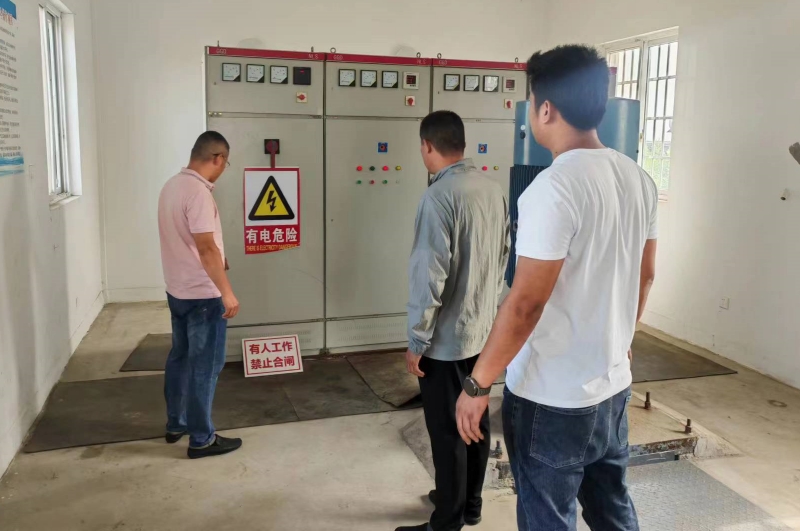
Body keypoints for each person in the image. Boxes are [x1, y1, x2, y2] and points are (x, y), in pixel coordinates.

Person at [455, 45, 658, 530]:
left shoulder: (553, 188)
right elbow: (646, 274)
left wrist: (478, 383)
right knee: (612, 510)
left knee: (548, 517)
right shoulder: (638, 178)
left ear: (544, 109)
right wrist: (622, 338)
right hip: (613, 387)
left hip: (552, 399)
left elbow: (525, 303)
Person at [398, 111, 510, 531]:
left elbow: (429, 276)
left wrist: (417, 340)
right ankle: (468, 503)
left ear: (427, 146)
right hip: (483, 335)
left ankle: (446, 521)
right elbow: (503, 257)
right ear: (461, 144)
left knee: (447, 430)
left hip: (444, 341)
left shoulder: (437, 197)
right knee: (475, 420)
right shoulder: (493, 190)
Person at [157, 131, 243, 459]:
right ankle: (201, 439)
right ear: (218, 158)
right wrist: (227, 292)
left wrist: (220, 259)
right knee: (205, 366)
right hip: (203, 296)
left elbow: (191, 241)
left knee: (180, 357)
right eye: (225, 162)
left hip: (177, 289)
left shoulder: (171, 186)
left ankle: (175, 423)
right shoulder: (199, 193)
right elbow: (205, 247)